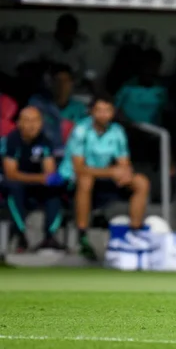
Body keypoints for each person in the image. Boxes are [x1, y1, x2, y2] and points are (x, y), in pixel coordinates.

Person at [58, 93, 150, 260]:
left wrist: (125, 173)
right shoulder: (80, 130)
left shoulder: (117, 131)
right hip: (74, 178)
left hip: (104, 176)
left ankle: (134, 234)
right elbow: (79, 168)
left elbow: (123, 161)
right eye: (98, 110)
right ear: (91, 112)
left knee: (140, 182)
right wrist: (112, 172)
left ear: (112, 112)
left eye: (107, 110)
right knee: (86, 180)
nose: (103, 114)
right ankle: (82, 236)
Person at [1, 107, 66, 252]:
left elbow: (49, 171)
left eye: (36, 121)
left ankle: (50, 237)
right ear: (19, 123)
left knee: (55, 189)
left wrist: (45, 178)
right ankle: (20, 235)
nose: (32, 125)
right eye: (27, 121)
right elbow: (11, 173)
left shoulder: (45, 141)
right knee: (14, 188)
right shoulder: (12, 140)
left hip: (36, 186)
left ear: (41, 123)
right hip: (16, 185)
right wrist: (40, 178)